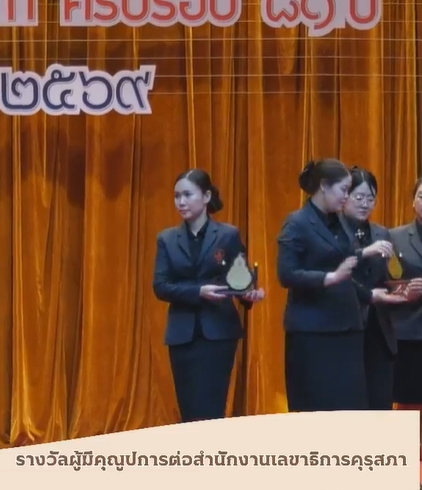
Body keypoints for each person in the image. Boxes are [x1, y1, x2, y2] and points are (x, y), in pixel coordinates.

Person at [152, 169, 265, 423]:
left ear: (206, 197)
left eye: (187, 195)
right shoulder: (167, 239)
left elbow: (239, 279)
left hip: (219, 332)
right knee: (189, 409)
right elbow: (160, 286)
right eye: (177, 196)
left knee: (213, 407)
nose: (181, 202)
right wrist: (198, 292)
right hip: (182, 334)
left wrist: (249, 293)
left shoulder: (228, 234)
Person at [277, 158, 368, 411]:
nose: (347, 197)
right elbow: (287, 274)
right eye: (343, 190)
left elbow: (345, 259)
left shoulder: (341, 220)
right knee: (315, 404)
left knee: (349, 404)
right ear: (324, 186)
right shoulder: (297, 222)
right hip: (313, 330)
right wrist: (329, 278)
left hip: (347, 326)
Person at [340, 166, 408, 410]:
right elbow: (335, 272)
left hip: (379, 328)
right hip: (344, 325)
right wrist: (369, 295)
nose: (365, 204)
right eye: (359, 197)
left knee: (379, 400)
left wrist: (400, 288)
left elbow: (390, 274)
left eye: (370, 198)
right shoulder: (333, 232)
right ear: (344, 197)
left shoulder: (382, 233)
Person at [388, 176, 422, 458]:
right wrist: (406, 289)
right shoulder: (394, 237)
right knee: (410, 397)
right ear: (412, 202)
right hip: (409, 329)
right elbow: (383, 282)